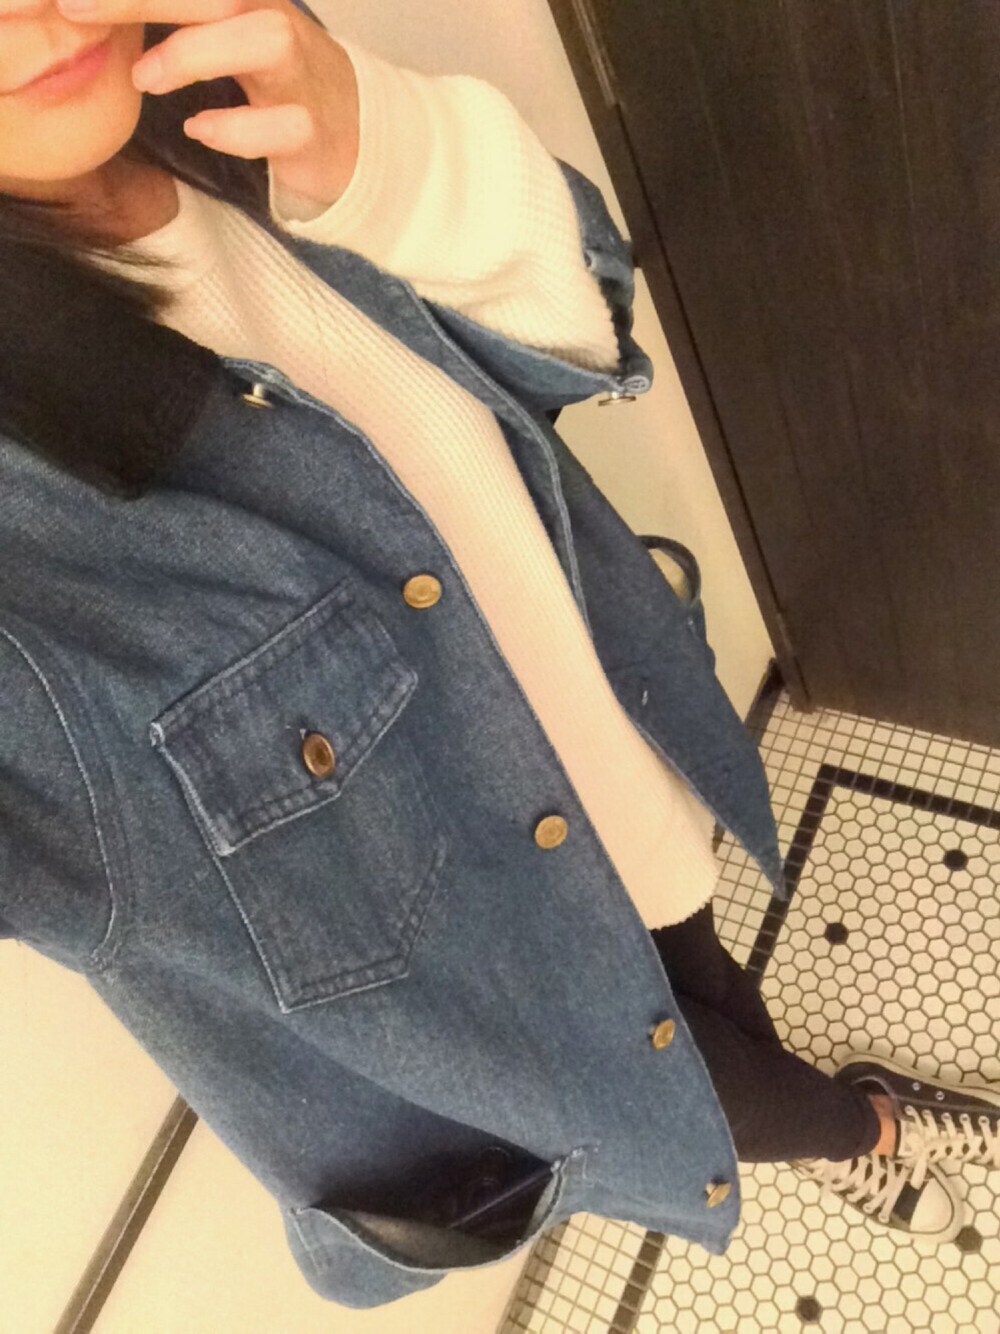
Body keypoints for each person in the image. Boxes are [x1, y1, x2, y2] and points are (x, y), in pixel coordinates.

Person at [1, 0, 997, 1310]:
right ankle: (865, 1131)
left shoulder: (222, 97)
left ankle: (820, 1107)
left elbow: (581, 334)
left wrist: (388, 155)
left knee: (708, 988)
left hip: (626, 770)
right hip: (516, 1007)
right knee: (707, 1088)